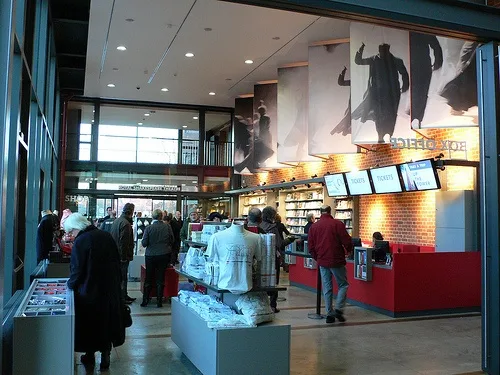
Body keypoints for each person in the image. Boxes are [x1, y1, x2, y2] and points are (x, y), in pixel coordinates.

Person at [64, 213, 125, 371]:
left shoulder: (81, 241)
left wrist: (70, 285)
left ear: (77, 228)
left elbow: (77, 270)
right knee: (106, 322)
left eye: (71, 231)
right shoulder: (106, 235)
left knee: (90, 325)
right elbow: (117, 262)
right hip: (109, 289)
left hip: (89, 291)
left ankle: (89, 355)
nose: (70, 235)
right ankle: (106, 356)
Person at [354, 42, 409, 143]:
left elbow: (404, 74)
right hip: (377, 94)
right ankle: (380, 135)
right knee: (379, 114)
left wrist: (405, 87)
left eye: (384, 51)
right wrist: (361, 49)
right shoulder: (374, 60)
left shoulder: (396, 60)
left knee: (391, 114)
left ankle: (390, 134)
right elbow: (358, 61)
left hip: (391, 94)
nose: (382, 53)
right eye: (381, 51)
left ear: (388, 50)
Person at [308, 205, 353, 324]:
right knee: (343, 284)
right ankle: (338, 309)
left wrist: (317, 258)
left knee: (327, 288)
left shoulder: (314, 227)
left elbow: (311, 246)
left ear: (320, 213)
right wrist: (349, 250)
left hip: (322, 261)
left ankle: (329, 314)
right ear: (330, 211)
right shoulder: (338, 224)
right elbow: (346, 240)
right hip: (336, 259)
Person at [259, 206, 294, 313]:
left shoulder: (258, 226)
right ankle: (273, 306)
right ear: (272, 216)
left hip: (260, 257)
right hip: (272, 258)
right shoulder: (273, 227)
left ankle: (261, 305)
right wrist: (290, 240)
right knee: (273, 281)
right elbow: (279, 244)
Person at [140, 209, 175, 308]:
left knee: (149, 278)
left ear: (152, 217)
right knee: (161, 278)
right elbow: (172, 240)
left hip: (150, 255)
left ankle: (145, 300)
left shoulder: (148, 228)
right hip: (164, 254)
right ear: (161, 217)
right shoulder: (167, 227)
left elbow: (144, 243)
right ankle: (159, 301)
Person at [409, 33, 443, 128]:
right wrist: (437, 63)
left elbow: (436, 46)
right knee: (420, 92)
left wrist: (437, 63)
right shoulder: (420, 31)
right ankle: (416, 117)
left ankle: (416, 117)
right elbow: (436, 46)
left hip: (420, 66)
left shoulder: (419, 31)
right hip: (421, 66)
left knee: (419, 92)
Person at [110, 203, 136, 304]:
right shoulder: (126, 224)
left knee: (120, 277)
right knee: (123, 277)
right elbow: (123, 242)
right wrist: (123, 257)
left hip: (115, 254)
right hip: (122, 256)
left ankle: (123, 295)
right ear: (131, 211)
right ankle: (122, 297)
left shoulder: (116, 221)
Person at [331, 66, 352, 136]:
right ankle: (344, 129)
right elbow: (341, 82)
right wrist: (343, 73)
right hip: (353, 103)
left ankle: (344, 129)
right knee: (349, 116)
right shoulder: (353, 82)